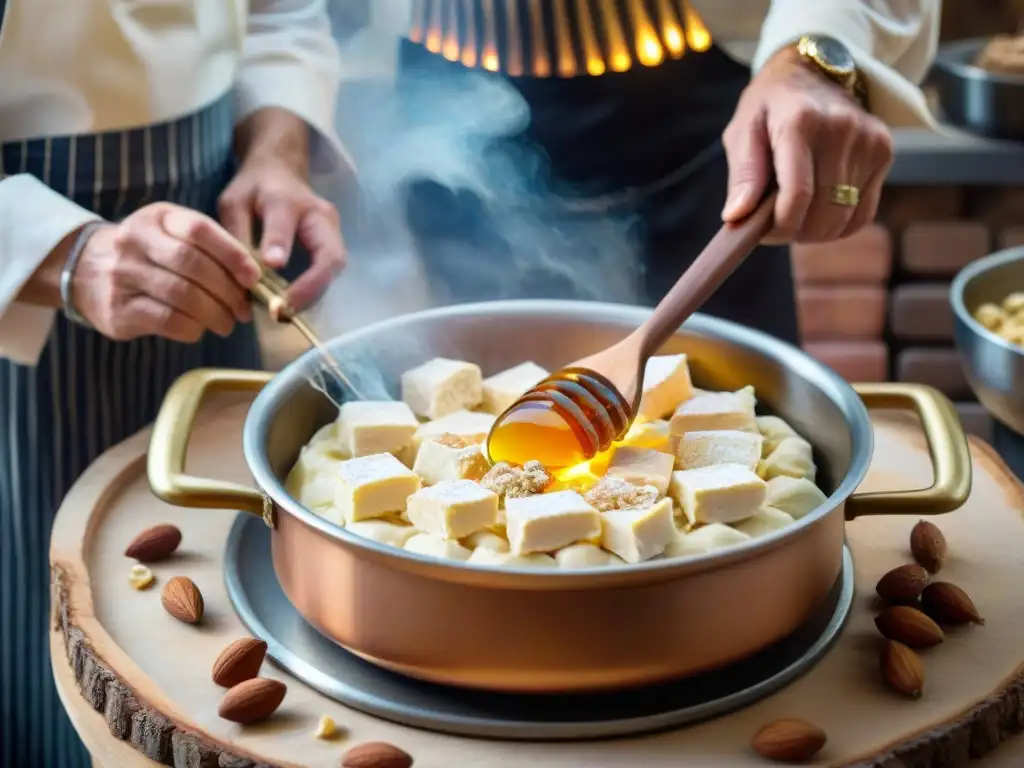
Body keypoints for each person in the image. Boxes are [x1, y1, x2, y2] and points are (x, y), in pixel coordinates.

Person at [0, 2, 347, 765]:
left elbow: (281, 12)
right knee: (39, 637)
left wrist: (275, 151)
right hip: (15, 322)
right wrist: (57, 252)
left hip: (206, 237)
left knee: (207, 606)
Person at [390, 0, 939, 345]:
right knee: (459, 383)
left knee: (738, 409)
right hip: (441, 110)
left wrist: (814, 55)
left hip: (697, 118)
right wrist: (297, 128)